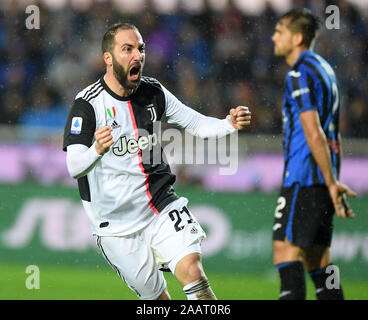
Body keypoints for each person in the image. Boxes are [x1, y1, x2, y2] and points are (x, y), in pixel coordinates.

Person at [62, 23, 251, 300]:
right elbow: (74, 165)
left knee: (194, 274)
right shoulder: (87, 104)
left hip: (160, 205)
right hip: (116, 225)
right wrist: (97, 150)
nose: (137, 55)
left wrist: (228, 124)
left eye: (140, 49)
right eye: (127, 49)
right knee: (159, 300)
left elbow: (195, 123)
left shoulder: (153, 91)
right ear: (108, 58)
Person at [271, 8, 357, 300]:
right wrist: (332, 179)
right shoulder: (325, 69)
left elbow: (314, 132)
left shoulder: (299, 73)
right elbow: (334, 133)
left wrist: (331, 182)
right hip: (322, 176)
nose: (273, 37)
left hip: (303, 175)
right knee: (319, 261)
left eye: (279, 31)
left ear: (296, 38)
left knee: (285, 251)